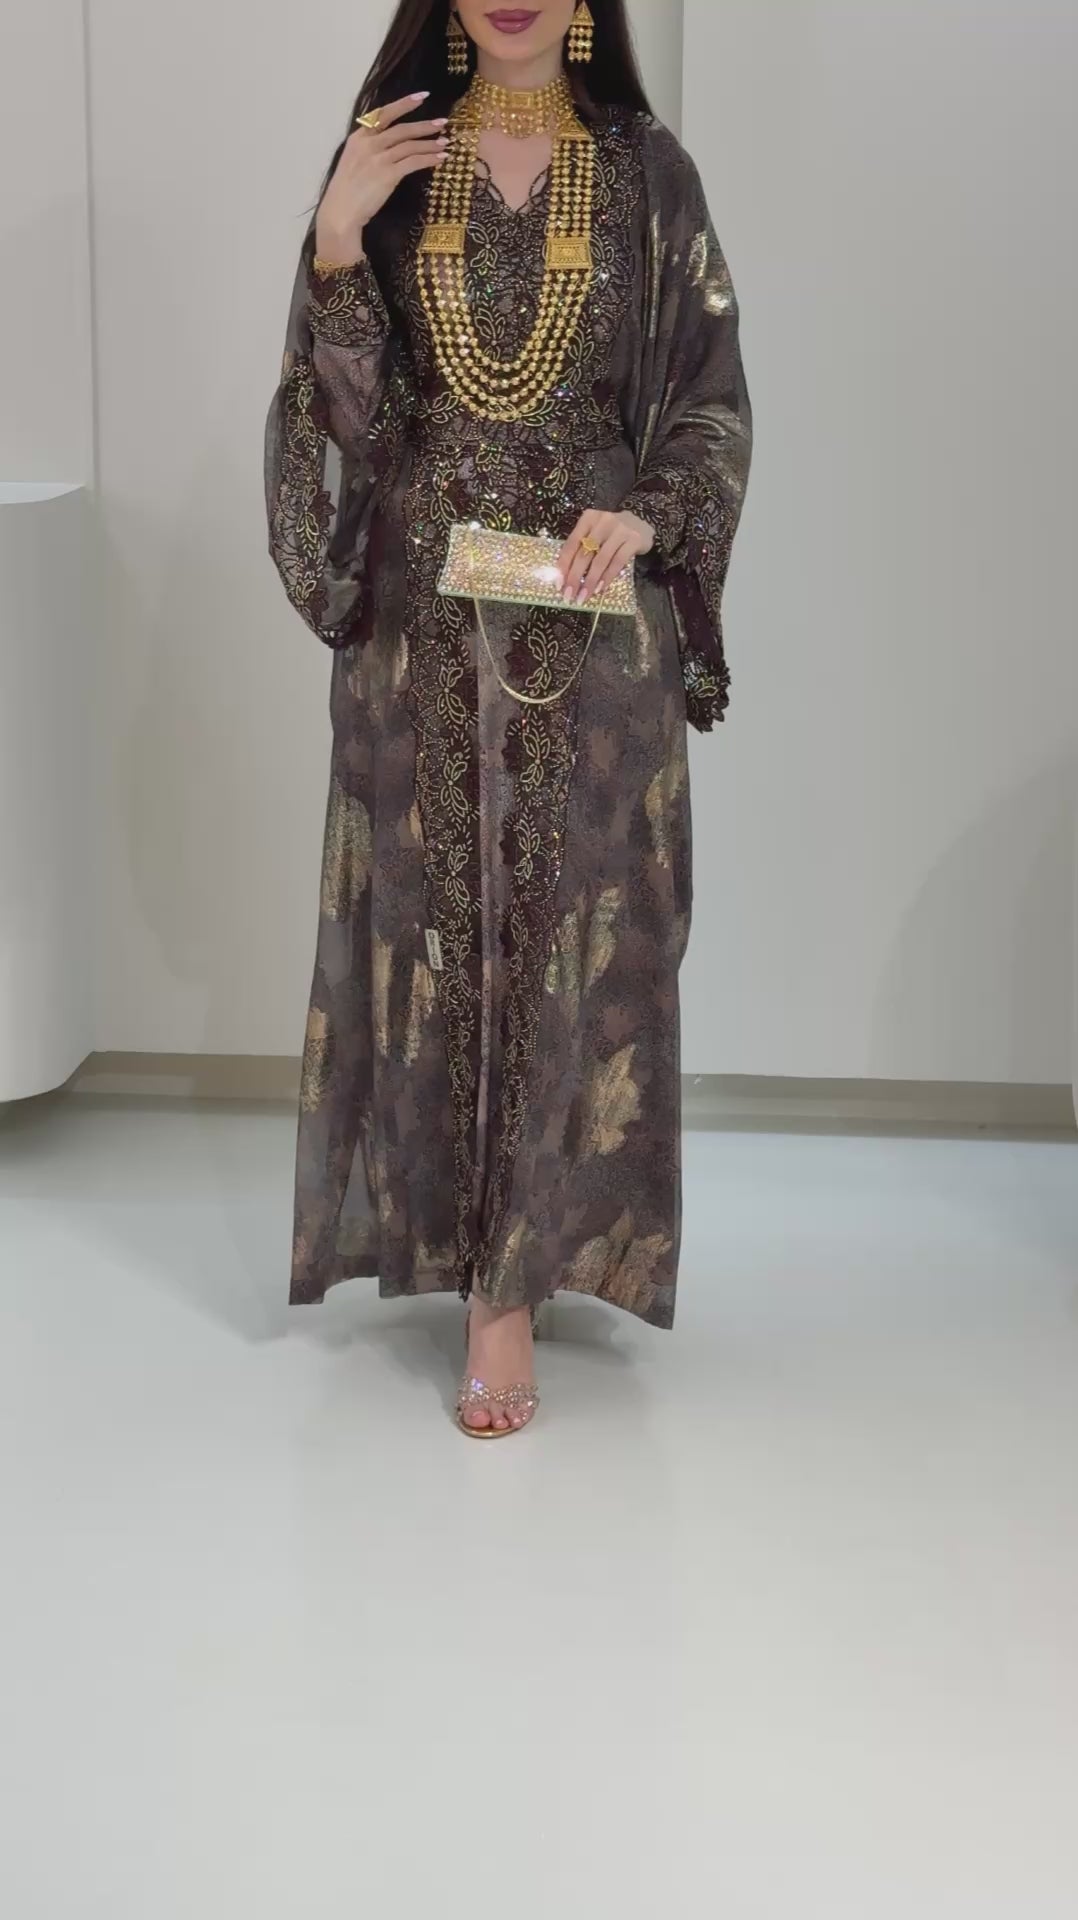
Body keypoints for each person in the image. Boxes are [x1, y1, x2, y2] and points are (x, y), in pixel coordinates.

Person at [265, 0, 752, 1438]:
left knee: (579, 936)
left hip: (591, 622)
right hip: (421, 621)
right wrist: (337, 244)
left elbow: (711, 399)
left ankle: (515, 1288)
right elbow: (346, 431)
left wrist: (649, 512)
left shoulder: (646, 171)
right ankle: (471, 1266)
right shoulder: (390, 161)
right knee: (434, 926)